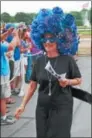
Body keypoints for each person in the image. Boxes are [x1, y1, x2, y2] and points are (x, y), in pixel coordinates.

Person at [15, 7, 82, 137]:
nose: (47, 42)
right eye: (44, 39)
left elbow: (79, 80)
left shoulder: (67, 60)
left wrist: (67, 82)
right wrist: (22, 105)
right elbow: (32, 86)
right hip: (42, 108)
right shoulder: (39, 61)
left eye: (51, 38)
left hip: (62, 107)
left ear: (59, 40)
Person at [0, 27, 20, 125]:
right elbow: (11, 46)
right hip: (1, 74)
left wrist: (7, 33)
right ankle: (3, 118)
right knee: (2, 98)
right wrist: (16, 36)